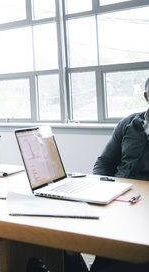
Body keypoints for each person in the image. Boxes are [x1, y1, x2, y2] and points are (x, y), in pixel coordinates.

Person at [60, 77, 149, 272]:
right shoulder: (128, 124)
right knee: (60, 237)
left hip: (143, 211)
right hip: (119, 200)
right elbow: (104, 163)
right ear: (146, 96)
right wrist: (103, 188)